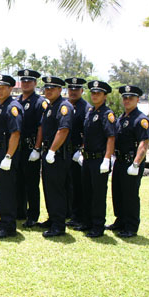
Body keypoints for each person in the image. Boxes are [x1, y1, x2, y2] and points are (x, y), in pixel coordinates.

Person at [73, 80, 115, 238]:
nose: (95, 96)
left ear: (104, 96)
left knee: (98, 194)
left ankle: (98, 225)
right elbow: (87, 134)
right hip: (88, 158)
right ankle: (87, 222)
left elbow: (111, 138)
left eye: (98, 93)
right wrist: (81, 151)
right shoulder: (90, 112)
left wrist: (107, 159)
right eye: (93, 93)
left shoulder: (107, 114)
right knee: (87, 192)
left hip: (99, 159)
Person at [109, 85, 149, 238]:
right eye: (125, 98)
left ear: (137, 100)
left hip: (131, 162)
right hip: (119, 161)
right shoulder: (122, 118)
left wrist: (136, 163)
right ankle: (120, 220)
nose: (127, 100)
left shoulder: (141, 120)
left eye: (130, 98)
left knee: (130, 195)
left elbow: (144, 143)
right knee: (118, 192)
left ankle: (131, 226)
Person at [36, 76, 73, 237]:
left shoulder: (64, 107)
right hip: (49, 153)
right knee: (48, 188)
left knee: (57, 190)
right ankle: (52, 218)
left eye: (53, 88)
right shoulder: (50, 106)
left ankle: (59, 225)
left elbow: (63, 130)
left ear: (60, 90)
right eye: (47, 88)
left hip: (57, 154)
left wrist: (52, 150)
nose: (49, 91)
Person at [0, 74, 23, 239]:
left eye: (3, 87)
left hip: (6, 153)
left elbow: (15, 133)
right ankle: (4, 220)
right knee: (2, 189)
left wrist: (8, 156)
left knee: (7, 190)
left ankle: (9, 227)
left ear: (10, 88)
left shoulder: (12, 107)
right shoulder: (1, 106)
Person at [16, 69, 45, 228]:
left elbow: (41, 127)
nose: (26, 83)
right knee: (18, 181)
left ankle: (33, 215)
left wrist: (37, 148)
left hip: (30, 147)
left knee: (32, 183)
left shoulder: (39, 102)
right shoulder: (17, 100)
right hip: (17, 148)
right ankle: (19, 211)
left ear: (35, 83)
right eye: (24, 81)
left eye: (29, 81)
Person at [64, 77, 90, 228]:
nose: (73, 92)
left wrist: (81, 150)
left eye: (76, 89)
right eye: (71, 89)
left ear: (82, 91)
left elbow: (88, 132)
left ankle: (77, 215)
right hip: (65, 151)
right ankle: (68, 212)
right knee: (65, 183)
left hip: (76, 152)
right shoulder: (65, 105)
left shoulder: (85, 108)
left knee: (77, 185)